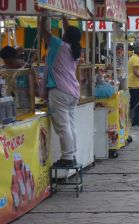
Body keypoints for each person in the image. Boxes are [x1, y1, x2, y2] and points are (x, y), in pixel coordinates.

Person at [40, 16, 82, 168]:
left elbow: (43, 32)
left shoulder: (59, 45)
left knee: (64, 126)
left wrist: (43, 15)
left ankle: (67, 157)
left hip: (60, 91)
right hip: (73, 92)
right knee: (70, 124)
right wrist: (64, 16)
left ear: (66, 36)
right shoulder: (75, 50)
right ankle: (72, 154)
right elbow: (69, 32)